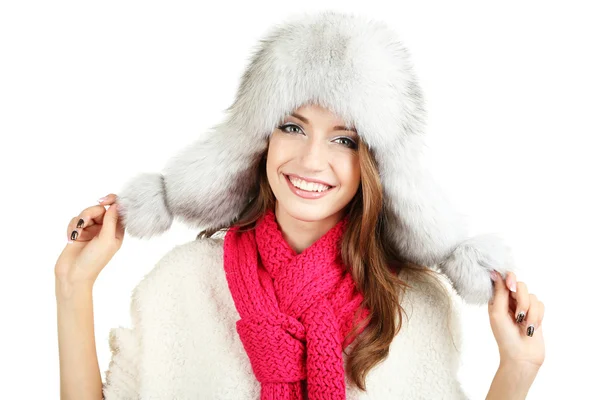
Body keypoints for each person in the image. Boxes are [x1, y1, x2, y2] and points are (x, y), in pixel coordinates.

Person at [55, 10, 545, 400]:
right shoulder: (182, 282)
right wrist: (73, 290)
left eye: (344, 140)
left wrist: (517, 370)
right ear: (259, 141)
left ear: (375, 165)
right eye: (292, 127)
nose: (311, 160)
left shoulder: (414, 302)